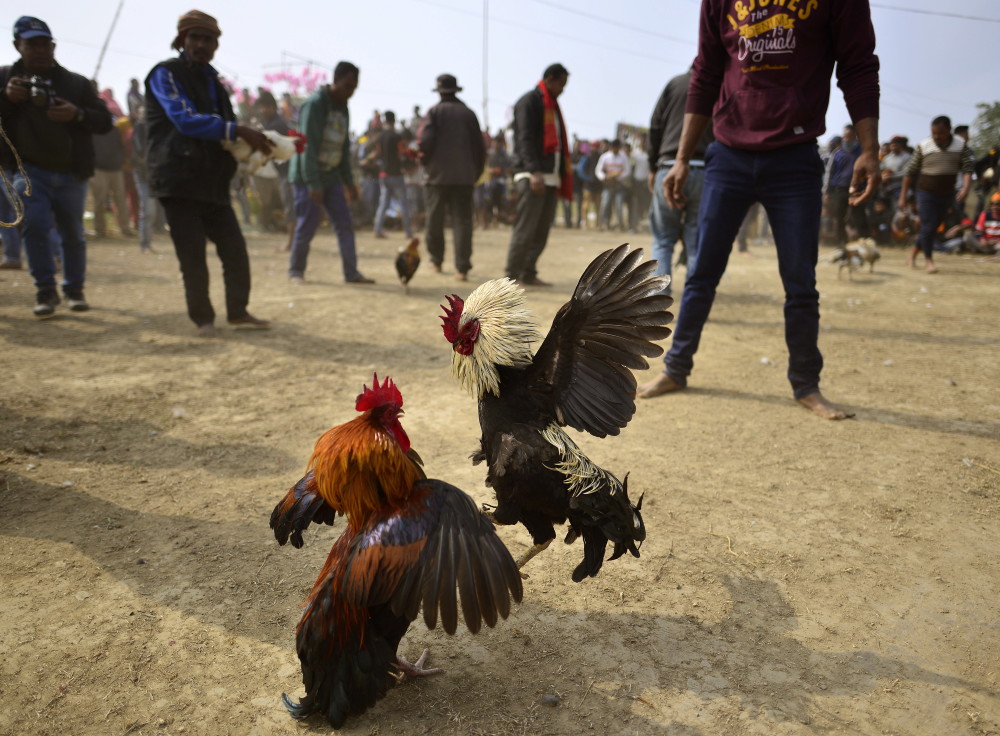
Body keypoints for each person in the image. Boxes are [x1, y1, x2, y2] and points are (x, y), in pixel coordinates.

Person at [637, 0, 881, 420]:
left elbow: (857, 66)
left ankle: (806, 384)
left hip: (795, 157)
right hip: (727, 156)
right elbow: (707, 70)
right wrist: (680, 157)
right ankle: (676, 369)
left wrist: (870, 149)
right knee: (701, 275)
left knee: (800, 281)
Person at [145, 9, 273, 336]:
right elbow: (184, 120)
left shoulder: (215, 83)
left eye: (208, 39)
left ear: (216, 45)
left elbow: (228, 133)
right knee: (193, 256)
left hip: (213, 182)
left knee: (235, 250)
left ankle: (238, 312)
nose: (202, 44)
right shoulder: (165, 74)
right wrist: (238, 131)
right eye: (195, 37)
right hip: (177, 178)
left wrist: (252, 149)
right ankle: (203, 320)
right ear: (182, 40)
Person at [0, 15, 112, 317]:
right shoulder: (5, 78)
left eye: (44, 44)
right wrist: (7, 99)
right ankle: (45, 291)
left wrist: (77, 114)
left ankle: (74, 289)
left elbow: (104, 121)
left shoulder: (76, 83)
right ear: (17, 46)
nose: (39, 50)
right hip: (29, 171)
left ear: (53, 46)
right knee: (34, 227)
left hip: (72, 172)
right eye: (31, 44)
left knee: (72, 233)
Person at [286, 61, 372, 285]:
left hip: (331, 175)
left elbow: (343, 150)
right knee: (307, 223)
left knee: (344, 224)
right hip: (307, 176)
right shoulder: (315, 105)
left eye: (354, 88)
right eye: (346, 86)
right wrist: (313, 183)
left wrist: (350, 184)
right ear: (335, 81)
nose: (350, 92)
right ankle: (296, 271)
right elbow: (308, 147)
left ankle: (351, 273)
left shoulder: (343, 108)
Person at [647, 67, 714, 295]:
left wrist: (651, 167)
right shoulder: (720, 85)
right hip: (705, 170)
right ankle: (693, 299)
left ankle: (658, 298)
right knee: (696, 240)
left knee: (663, 239)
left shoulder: (675, 84)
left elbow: (655, 126)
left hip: (668, 166)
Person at [504, 63, 572, 286]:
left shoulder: (552, 106)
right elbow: (524, 139)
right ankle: (511, 276)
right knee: (526, 228)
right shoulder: (529, 102)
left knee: (541, 231)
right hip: (532, 175)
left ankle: (528, 272)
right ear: (551, 79)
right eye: (561, 84)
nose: (563, 89)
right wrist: (534, 172)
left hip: (550, 176)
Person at [418, 74, 485, 280]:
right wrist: (476, 172)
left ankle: (436, 260)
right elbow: (480, 148)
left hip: (437, 177)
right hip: (464, 177)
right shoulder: (469, 114)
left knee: (435, 220)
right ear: (456, 90)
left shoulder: (434, 112)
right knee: (462, 222)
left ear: (439, 92)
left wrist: (424, 162)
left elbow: (425, 143)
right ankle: (462, 268)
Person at [899, 116, 974, 273]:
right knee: (929, 223)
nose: (936, 137)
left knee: (932, 227)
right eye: (933, 133)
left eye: (939, 133)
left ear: (948, 130)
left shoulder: (961, 145)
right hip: (925, 192)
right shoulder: (924, 146)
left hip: (946, 193)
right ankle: (929, 260)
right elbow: (909, 173)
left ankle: (913, 253)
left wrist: (965, 188)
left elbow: (967, 169)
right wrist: (903, 196)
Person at [373, 111, 413, 240]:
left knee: (383, 203)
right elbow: (402, 154)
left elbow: (377, 154)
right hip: (396, 174)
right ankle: (408, 232)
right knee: (403, 203)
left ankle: (377, 230)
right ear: (394, 120)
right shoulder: (397, 136)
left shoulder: (380, 137)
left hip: (383, 174)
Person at [595, 138, 631, 231]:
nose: (615, 149)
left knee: (619, 205)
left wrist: (618, 177)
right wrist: (604, 177)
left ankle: (620, 225)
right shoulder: (605, 157)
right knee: (605, 204)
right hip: (608, 185)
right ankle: (601, 224)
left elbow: (627, 171)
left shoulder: (623, 157)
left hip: (619, 185)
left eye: (616, 148)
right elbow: (598, 170)